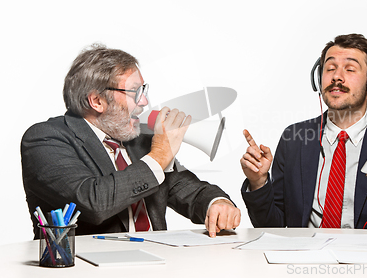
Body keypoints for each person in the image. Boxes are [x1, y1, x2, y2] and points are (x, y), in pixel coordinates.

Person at [22, 43, 240, 239]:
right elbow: (93, 202)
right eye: (135, 92)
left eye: (143, 91)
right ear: (97, 101)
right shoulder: (45, 139)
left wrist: (217, 203)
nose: (144, 101)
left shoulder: (138, 141)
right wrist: (159, 157)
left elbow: (188, 190)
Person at [240, 33, 367, 232]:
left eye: (350, 69)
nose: (337, 76)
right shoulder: (295, 137)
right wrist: (258, 183)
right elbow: (271, 227)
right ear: (318, 78)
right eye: (330, 68)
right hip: (306, 259)